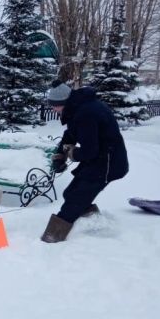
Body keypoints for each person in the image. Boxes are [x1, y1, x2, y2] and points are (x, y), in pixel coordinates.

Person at [41, 80, 129, 243]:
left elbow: (89, 151)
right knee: (71, 194)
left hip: (108, 163)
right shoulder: (79, 108)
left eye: (55, 105)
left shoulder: (86, 113)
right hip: (99, 159)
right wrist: (60, 156)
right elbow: (71, 135)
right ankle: (92, 225)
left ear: (63, 102)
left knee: (75, 200)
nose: (53, 109)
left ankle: (51, 239)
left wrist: (72, 153)